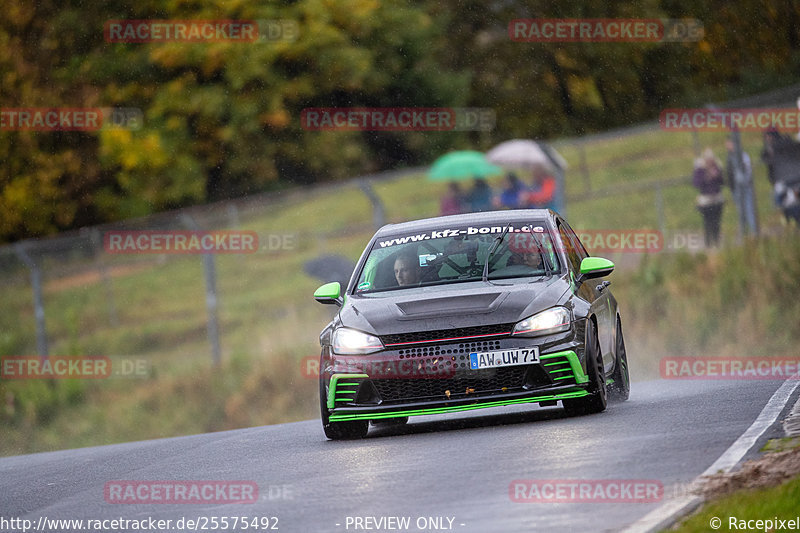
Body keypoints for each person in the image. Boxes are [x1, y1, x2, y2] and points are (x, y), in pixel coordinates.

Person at [725, 137, 758, 238]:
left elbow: (748, 170)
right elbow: (729, 173)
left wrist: (745, 181)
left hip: (745, 187)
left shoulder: (742, 155)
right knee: (741, 212)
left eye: (729, 143)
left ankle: (755, 232)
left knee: (749, 210)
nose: (727, 145)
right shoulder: (729, 157)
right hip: (735, 189)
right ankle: (744, 234)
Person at [693, 148, 725, 248]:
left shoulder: (717, 167)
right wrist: (706, 177)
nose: (709, 161)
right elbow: (696, 183)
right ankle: (708, 244)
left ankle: (716, 242)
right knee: (707, 222)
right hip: (706, 200)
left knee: (717, 222)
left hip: (717, 198)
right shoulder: (700, 169)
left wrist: (717, 176)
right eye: (708, 159)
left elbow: (722, 182)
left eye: (711, 159)